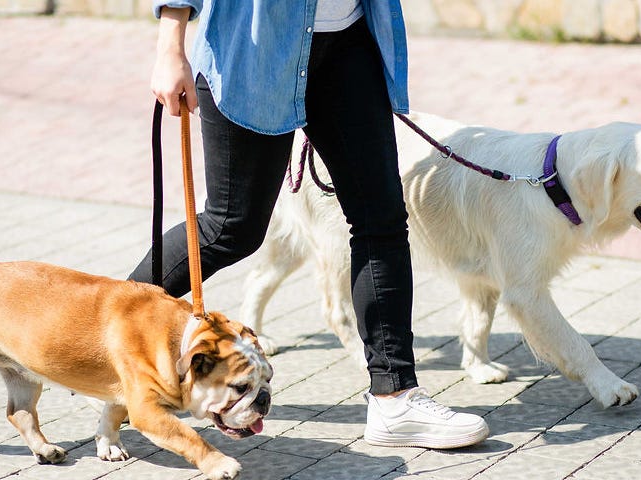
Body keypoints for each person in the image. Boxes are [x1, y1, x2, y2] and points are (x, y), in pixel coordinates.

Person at [130, 0, 489, 449]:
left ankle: (395, 398)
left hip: (350, 40)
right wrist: (170, 47)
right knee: (231, 229)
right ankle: (101, 339)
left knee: (382, 221)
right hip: (254, 51)